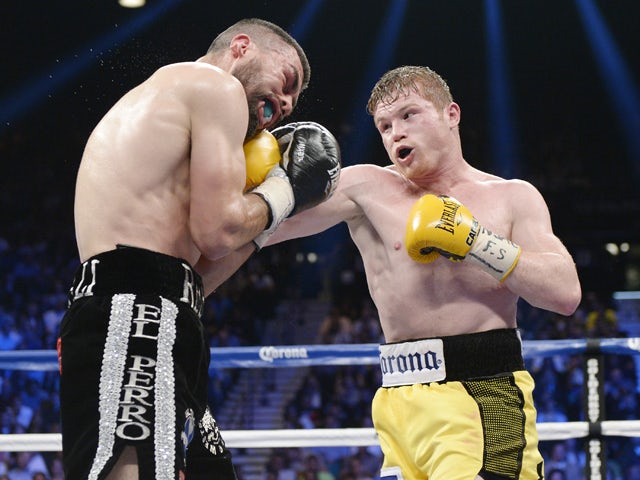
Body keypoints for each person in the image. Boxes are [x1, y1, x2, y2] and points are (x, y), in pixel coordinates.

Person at [265, 66, 582, 479]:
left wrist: (476, 242)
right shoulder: (364, 188)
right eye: (384, 125)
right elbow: (260, 227)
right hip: (397, 403)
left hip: (482, 394)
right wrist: (263, 174)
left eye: (409, 115)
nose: (395, 132)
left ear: (451, 114)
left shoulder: (511, 197)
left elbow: (565, 293)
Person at [58, 18, 340, 480]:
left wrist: (271, 216)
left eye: (295, 100)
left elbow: (198, 277)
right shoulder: (213, 85)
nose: (288, 104)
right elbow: (218, 231)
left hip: (160, 314)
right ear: (242, 48)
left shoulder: (177, 110)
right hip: (135, 321)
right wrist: (285, 191)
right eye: (287, 81)